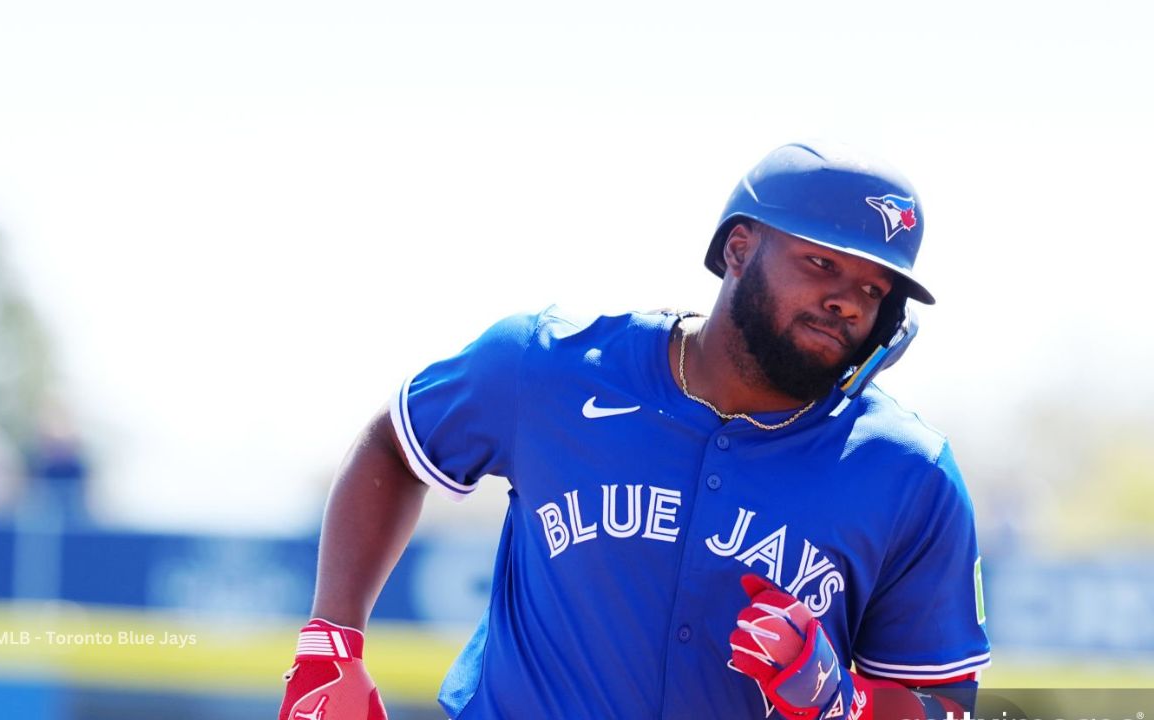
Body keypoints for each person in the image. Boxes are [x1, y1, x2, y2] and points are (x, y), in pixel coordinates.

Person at [278, 142, 991, 720]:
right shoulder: (548, 366)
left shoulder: (909, 472)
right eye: (821, 263)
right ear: (739, 249)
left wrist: (843, 702)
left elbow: (945, 706)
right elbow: (397, 447)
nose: (845, 301)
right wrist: (331, 641)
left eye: (873, 288)